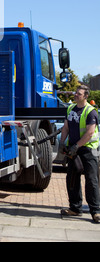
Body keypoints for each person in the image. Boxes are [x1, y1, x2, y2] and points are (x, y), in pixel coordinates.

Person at [59, 85, 100, 223]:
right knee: (72, 178)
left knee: (91, 180)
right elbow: (65, 127)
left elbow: (89, 133)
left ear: (86, 96)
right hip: (73, 150)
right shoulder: (70, 108)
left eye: (79, 94)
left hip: (88, 149)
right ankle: (75, 208)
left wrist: (76, 146)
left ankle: (96, 211)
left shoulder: (91, 111)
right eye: (76, 93)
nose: (76, 95)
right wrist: (62, 142)